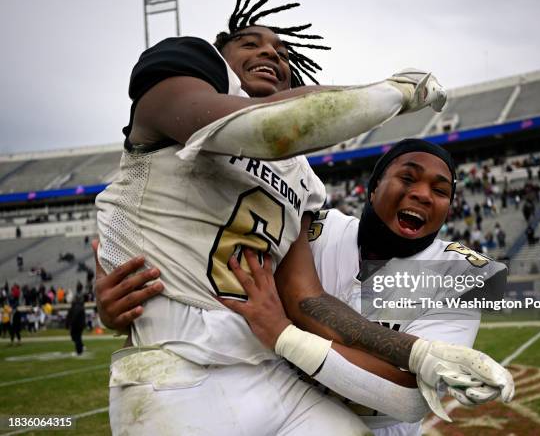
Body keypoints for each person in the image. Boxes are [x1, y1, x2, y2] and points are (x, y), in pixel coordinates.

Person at [95, 0, 508, 434]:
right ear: (218, 58)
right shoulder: (180, 81)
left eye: (281, 53)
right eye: (250, 43)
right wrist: (397, 92)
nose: (271, 54)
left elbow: (306, 300)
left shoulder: (301, 177)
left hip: (269, 367)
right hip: (176, 363)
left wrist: (417, 353)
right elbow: (269, 128)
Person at [96, 141, 513, 435]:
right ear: (372, 188)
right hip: (271, 403)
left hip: (379, 427)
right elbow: (217, 287)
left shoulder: (457, 275)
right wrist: (124, 306)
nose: (423, 194)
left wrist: (285, 335)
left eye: (441, 191)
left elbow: (407, 393)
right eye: (409, 177)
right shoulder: (312, 229)